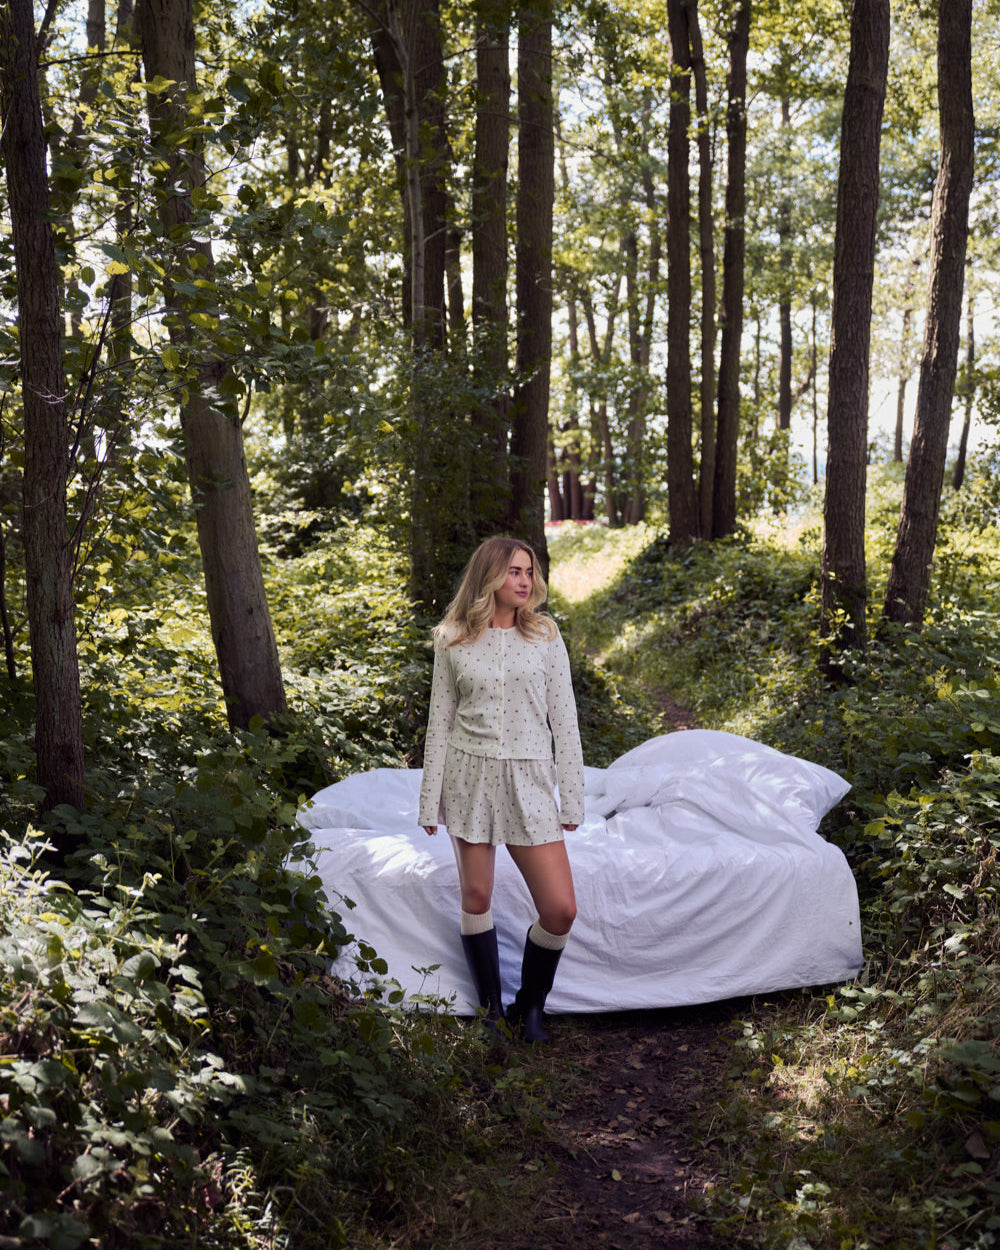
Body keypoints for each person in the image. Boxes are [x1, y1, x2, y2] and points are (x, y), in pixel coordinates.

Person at [418, 535, 585, 1043]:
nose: (525, 581)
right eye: (515, 571)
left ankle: (529, 1005)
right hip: (469, 776)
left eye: (529, 573)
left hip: (530, 778)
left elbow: (565, 720)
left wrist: (572, 794)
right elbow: (440, 723)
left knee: (560, 909)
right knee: (476, 893)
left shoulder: (546, 636)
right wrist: (430, 798)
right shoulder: (452, 638)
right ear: (490, 576)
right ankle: (491, 1012)